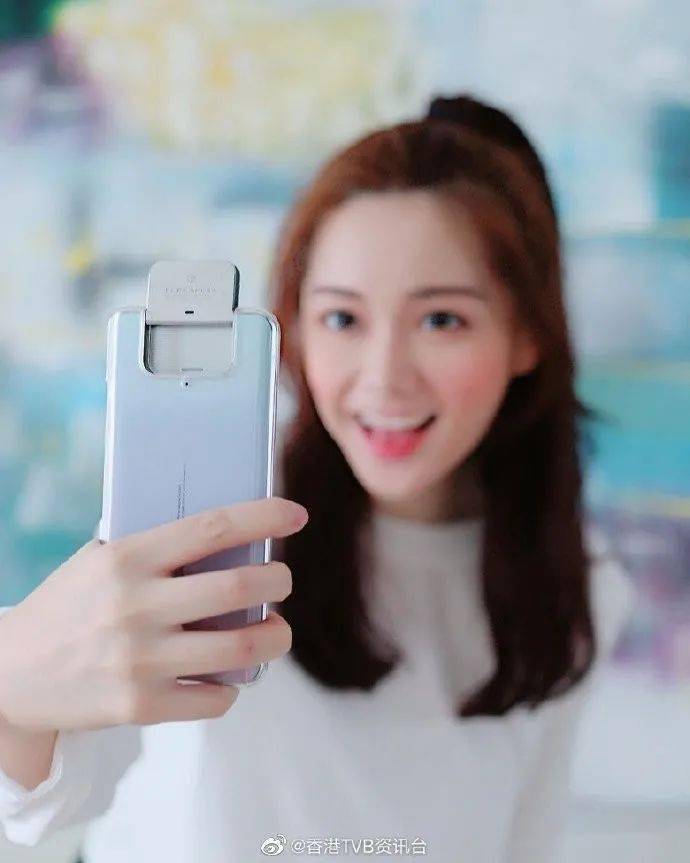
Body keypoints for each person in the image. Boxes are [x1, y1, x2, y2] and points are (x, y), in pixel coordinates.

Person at [0, 95, 634, 862]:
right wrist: (17, 679)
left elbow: (525, 844)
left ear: (528, 333)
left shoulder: (580, 591)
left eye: (441, 320)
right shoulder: (221, 516)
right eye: (342, 319)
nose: (384, 377)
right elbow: (45, 793)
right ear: (295, 328)